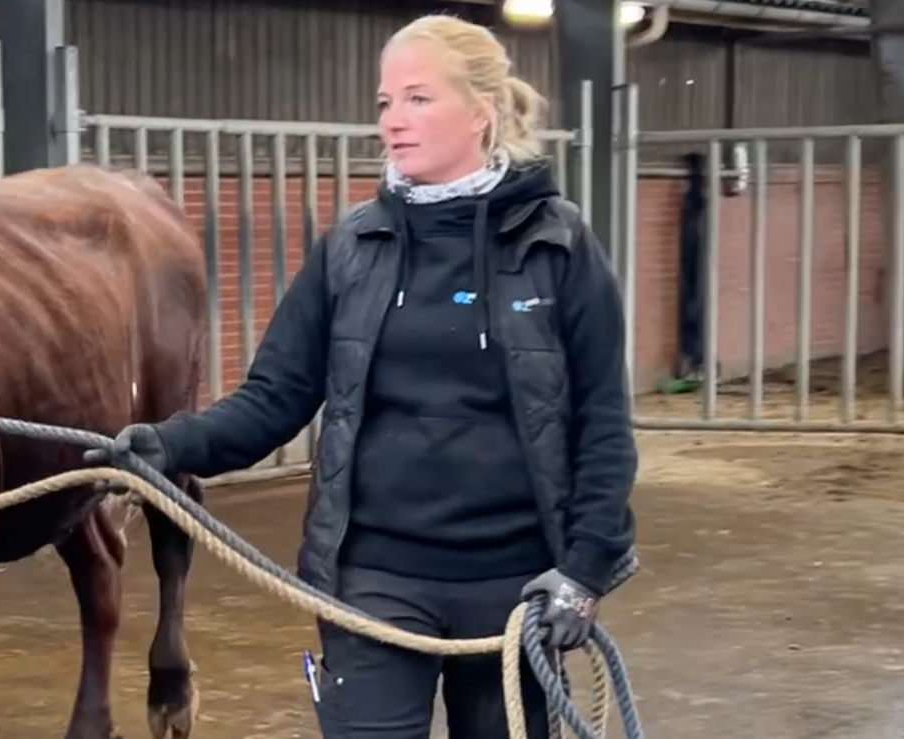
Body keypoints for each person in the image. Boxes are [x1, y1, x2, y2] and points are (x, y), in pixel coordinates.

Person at [94, 13, 640, 739]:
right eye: (385, 103)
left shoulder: (557, 243)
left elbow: (604, 421)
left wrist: (586, 567)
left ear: (481, 111)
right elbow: (275, 397)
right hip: (374, 575)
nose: (392, 122)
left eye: (417, 99)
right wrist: (167, 446)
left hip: (515, 583)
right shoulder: (352, 247)